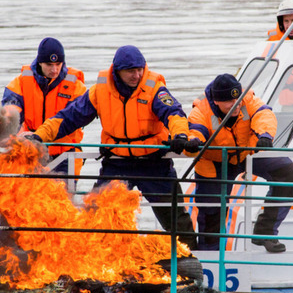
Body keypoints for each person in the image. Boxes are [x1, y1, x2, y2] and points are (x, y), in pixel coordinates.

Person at [29, 45, 199, 251]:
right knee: (96, 217)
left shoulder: (154, 87)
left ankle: (193, 259)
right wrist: (39, 136)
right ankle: (91, 262)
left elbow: (174, 113)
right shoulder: (100, 91)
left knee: (176, 219)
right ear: (117, 71)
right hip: (117, 163)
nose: (137, 75)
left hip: (153, 162)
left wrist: (181, 135)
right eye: (130, 71)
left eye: (140, 69)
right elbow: (67, 118)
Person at [187, 74, 293, 253]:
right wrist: (193, 142)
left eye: (237, 99)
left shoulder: (247, 99)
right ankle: (211, 255)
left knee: (286, 172)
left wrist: (265, 135)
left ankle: (265, 231)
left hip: (247, 153)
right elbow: (195, 129)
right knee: (211, 210)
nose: (236, 104)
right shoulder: (201, 110)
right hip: (215, 161)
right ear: (216, 101)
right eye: (230, 101)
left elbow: (264, 114)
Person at [2, 37, 86, 176]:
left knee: (61, 196)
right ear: (40, 62)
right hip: (30, 152)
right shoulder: (21, 82)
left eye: (58, 64)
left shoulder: (76, 87)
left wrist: (39, 136)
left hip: (64, 155)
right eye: (49, 64)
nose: (54, 70)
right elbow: (10, 113)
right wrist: (16, 134)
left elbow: (71, 120)